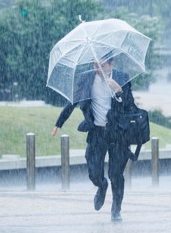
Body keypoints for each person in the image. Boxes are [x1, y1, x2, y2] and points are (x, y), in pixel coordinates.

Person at [51, 53, 136, 222]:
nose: (98, 69)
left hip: (118, 133)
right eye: (95, 65)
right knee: (94, 172)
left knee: (116, 174)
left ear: (111, 64)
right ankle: (101, 186)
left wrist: (119, 90)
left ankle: (116, 210)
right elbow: (73, 101)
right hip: (97, 132)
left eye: (102, 65)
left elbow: (130, 106)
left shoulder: (122, 78)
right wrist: (59, 123)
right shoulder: (86, 78)